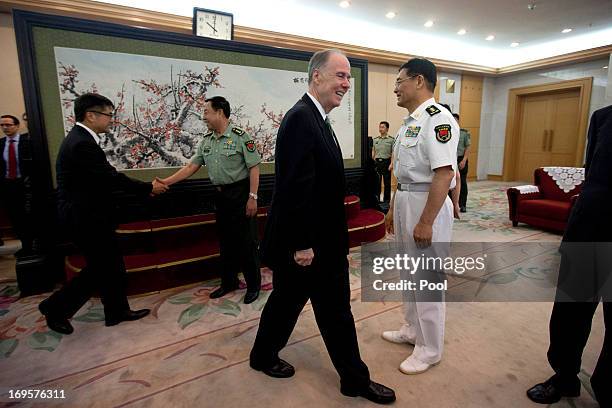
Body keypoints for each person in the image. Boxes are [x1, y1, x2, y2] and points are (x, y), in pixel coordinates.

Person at [249, 49, 395, 404]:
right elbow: (294, 187)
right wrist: (302, 244)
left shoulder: (317, 118)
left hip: (315, 239)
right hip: (310, 244)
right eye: (340, 75)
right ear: (316, 76)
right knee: (335, 312)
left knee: (287, 301)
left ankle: (262, 355)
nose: (346, 84)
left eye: (349, 77)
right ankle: (354, 380)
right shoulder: (302, 118)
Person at [38, 93, 167, 335]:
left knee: (112, 265)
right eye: (108, 115)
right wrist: (148, 188)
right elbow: (110, 178)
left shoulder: (82, 139)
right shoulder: (82, 143)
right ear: (91, 115)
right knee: (100, 267)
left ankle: (117, 311)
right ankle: (54, 307)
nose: (111, 120)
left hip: (92, 214)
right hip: (84, 217)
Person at [526, 104, 611, 406]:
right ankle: (564, 376)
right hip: (590, 226)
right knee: (570, 311)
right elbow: (592, 174)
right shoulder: (603, 117)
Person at [382, 58, 458, 374]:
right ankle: (412, 330)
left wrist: (425, 221)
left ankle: (429, 350)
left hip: (427, 203)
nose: (396, 88)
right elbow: (403, 171)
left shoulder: (438, 119)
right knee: (408, 272)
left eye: (399, 81)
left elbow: (443, 173)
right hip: (406, 200)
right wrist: (391, 208)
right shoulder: (411, 122)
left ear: (418, 81)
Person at [160, 96, 261, 304]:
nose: (203, 116)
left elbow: (254, 167)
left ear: (220, 113)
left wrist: (253, 197)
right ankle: (228, 282)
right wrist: (166, 182)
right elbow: (190, 167)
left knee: (246, 243)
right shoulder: (206, 140)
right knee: (226, 242)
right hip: (221, 196)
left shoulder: (241, 137)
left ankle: (254, 285)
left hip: (241, 194)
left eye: (206, 112)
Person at [0, 114, 34, 255]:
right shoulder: (1, 144)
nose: (5, 127)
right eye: (2, 125)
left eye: (8, 124)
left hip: (26, 185)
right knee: (16, 217)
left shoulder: (27, 141)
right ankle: (25, 245)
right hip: (8, 186)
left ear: (17, 125)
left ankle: (34, 245)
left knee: (30, 216)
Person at [372, 121, 394, 202]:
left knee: (387, 183)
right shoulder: (375, 140)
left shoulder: (391, 140)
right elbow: (373, 151)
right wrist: (372, 162)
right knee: (377, 182)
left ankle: (386, 200)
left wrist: (392, 163)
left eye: (382, 127)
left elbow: (393, 152)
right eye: (379, 127)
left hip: (386, 162)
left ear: (387, 129)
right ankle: (377, 199)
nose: (380, 129)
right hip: (377, 162)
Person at [453, 113, 471, 212]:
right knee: (451, 183)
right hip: (451, 159)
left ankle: (462, 204)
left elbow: (468, 147)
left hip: (461, 159)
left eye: (455, 120)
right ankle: (452, 203)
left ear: (458, 121)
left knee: (462, 182)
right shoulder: (448, 132)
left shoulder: (464, 133)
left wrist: (464, 160)